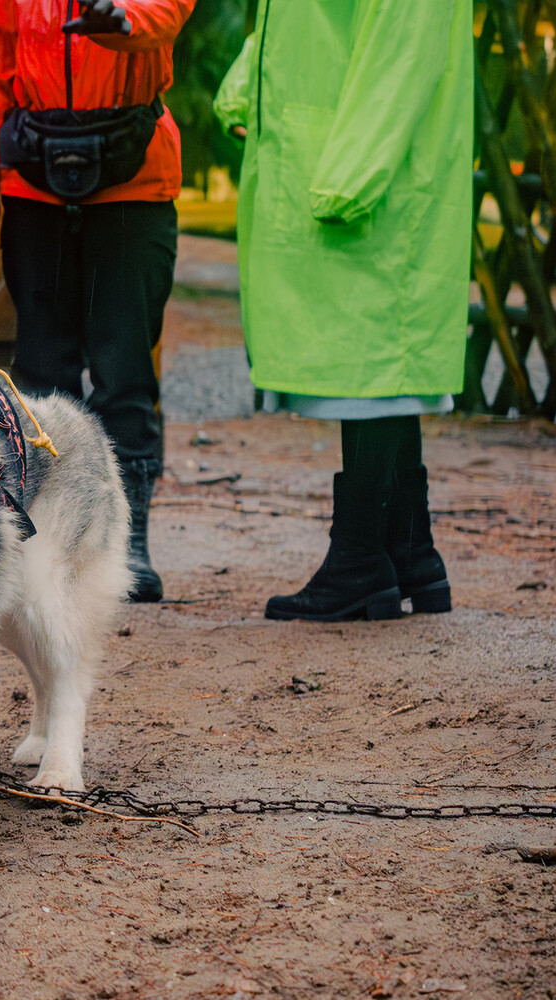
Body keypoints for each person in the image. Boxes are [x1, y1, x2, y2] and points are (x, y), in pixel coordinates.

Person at [213, 1, 472, 621]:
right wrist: (245, 90)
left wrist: (350, 175)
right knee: (376, 370)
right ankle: (409, 551)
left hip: (366, 171)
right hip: (330, 152)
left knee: (371, 369)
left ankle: (359, 558)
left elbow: (403, 48)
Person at [0, 0, 196, 604]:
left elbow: (167, 10)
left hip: (133, 178)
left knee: (125, 373)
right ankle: (45, 541)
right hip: (35, 181)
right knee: (40, 377)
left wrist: (121, 18)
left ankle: (127, 541)